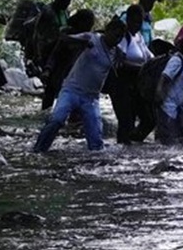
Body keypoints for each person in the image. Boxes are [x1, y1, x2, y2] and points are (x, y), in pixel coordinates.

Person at [32, 15, 125, 153]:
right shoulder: (91, 38)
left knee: (96, 141)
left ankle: (94, 166)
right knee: (57, 120)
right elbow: (64, 39)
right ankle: (38, 150)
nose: (117, 40)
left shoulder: (116, 52)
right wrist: (79, 43)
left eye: (120, 37)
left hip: (91, 98)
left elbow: (120, 64)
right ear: (108, 30)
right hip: (71, 90)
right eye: (116, 35)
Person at [107, 4, 153, 143]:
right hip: (121, 85)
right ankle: (123, 153)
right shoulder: (123, 37)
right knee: (126, 122)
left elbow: (149, 56)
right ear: (127, 20)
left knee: (149, 120)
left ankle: (133, 146)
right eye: (134, 21)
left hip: (137, 85)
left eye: (139, 22)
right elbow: (118, 62)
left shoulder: (138, 36)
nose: (137, 25)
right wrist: (142, 68)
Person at [40, 9, 95, 110]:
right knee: (48, 105)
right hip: (59, 74)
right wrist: (47, 70)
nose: (90, 25)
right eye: (89, 22)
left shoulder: (90, 38)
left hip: (76, 78)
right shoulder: (66, 36)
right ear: (80, 22)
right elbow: (54, 54)